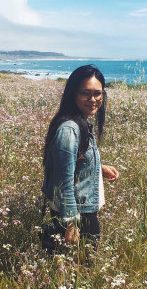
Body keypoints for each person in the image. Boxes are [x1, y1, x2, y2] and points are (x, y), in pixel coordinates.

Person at [42, 64, 119, 250]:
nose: (93, 99)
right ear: (73, 94)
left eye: (98, 93)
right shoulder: (69, 129)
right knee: (80, 270)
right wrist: (71, 223)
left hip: (81, 211)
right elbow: (63, 180)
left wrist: (99, 168)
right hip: (78, 214)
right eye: (86, 93)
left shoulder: (80, 123)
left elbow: (71, 162)